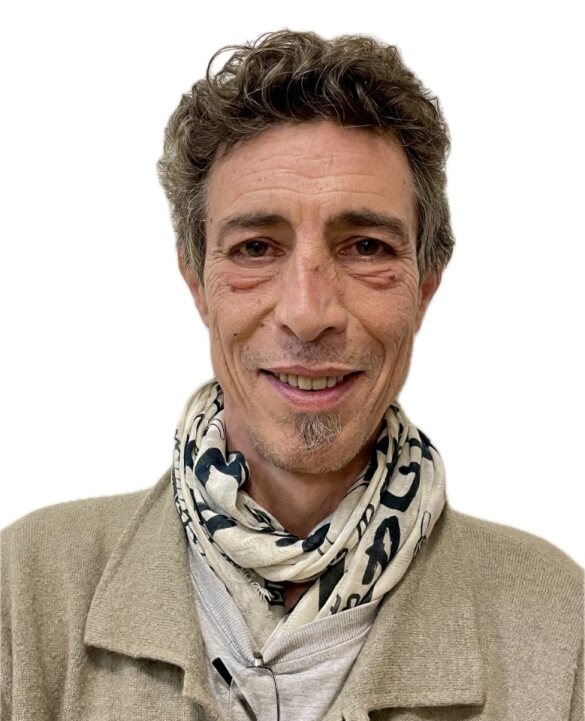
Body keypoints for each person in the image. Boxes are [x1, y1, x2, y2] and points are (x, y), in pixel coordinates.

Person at [1, 29, 582, 721]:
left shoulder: (559, 624)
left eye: (365, 246)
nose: (307, 314)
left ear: (424, 286)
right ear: (197, 281)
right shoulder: (26, 592)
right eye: (256, 248)